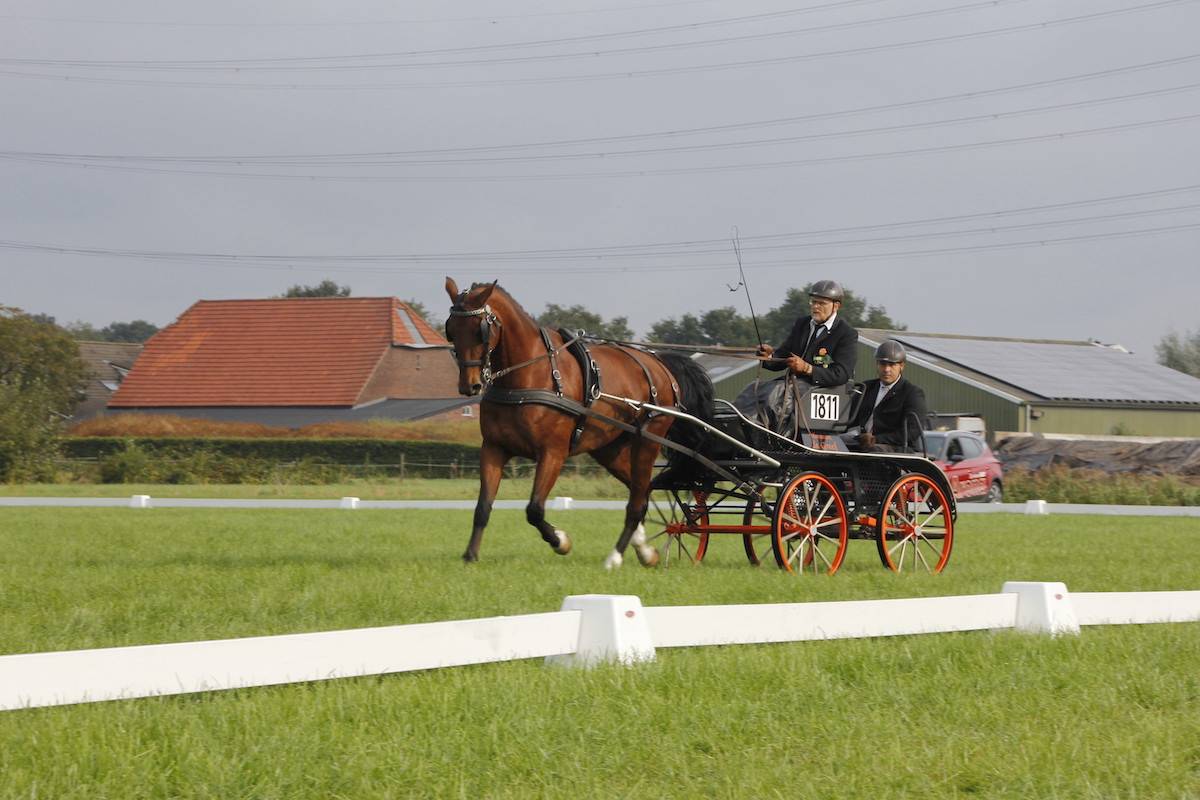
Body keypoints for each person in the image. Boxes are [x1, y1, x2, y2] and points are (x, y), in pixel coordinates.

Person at [735, 280, 858, 432]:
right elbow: (784, 354)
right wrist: (770, 356)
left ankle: (765, 433)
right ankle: (738, 423)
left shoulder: (846, 334)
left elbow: (841, 374)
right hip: (792, 385)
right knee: (752, 389)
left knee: (776, 393)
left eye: (821, 303)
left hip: (822, 388)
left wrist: (807, 369)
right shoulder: (802, 324)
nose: (815, 307)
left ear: (836, 306)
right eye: (813, 302)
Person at [844, 339, 927, 453]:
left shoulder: (912, 393)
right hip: (864, 442)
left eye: (892, 364)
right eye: (883, 364)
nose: (886, 369)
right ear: (877, 364)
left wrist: (876, 439)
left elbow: (912, 431)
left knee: (874, 450)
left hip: (897, 448)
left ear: (901, 366)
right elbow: (848, 418)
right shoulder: (866, 388)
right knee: (835, 443)